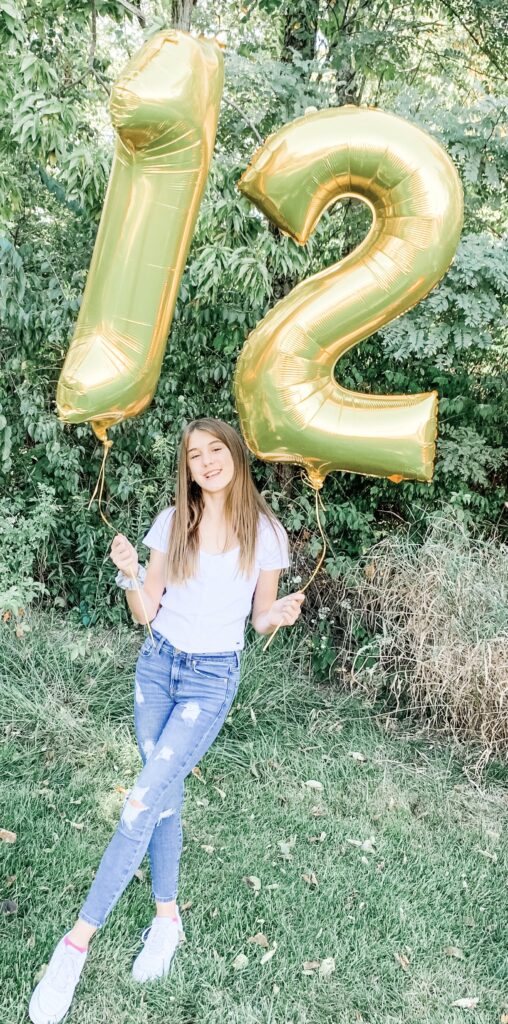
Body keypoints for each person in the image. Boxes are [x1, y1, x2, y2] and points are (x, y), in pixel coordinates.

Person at [29, 417, 305, 1024]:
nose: (206, 462)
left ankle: (74, 946)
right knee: (164, 799)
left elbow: (259, 618)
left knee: (139, 803)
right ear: (187, 468)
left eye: (215, 450)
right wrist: (131, 570)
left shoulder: (266, 534)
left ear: (235, 454)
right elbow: (144, 612)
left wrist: (278, 615)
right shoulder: (173, 522)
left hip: (211, 679)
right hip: (157, 669)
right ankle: (166, 919)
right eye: (194, 455)